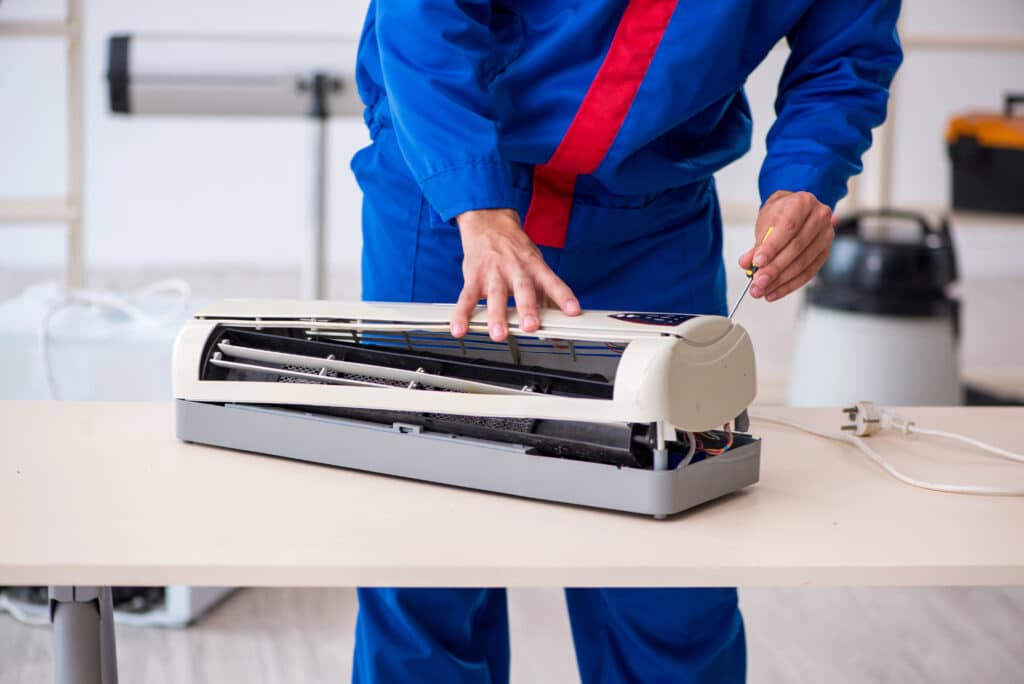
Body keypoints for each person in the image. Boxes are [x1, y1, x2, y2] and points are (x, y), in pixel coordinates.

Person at [350, 0, 902, 681]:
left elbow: (845, 53)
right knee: (427, 558)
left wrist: (806, 177)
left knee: (670, 570)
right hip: (448, 201)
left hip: (653, 227)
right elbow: (426, 13)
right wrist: (474, 201)